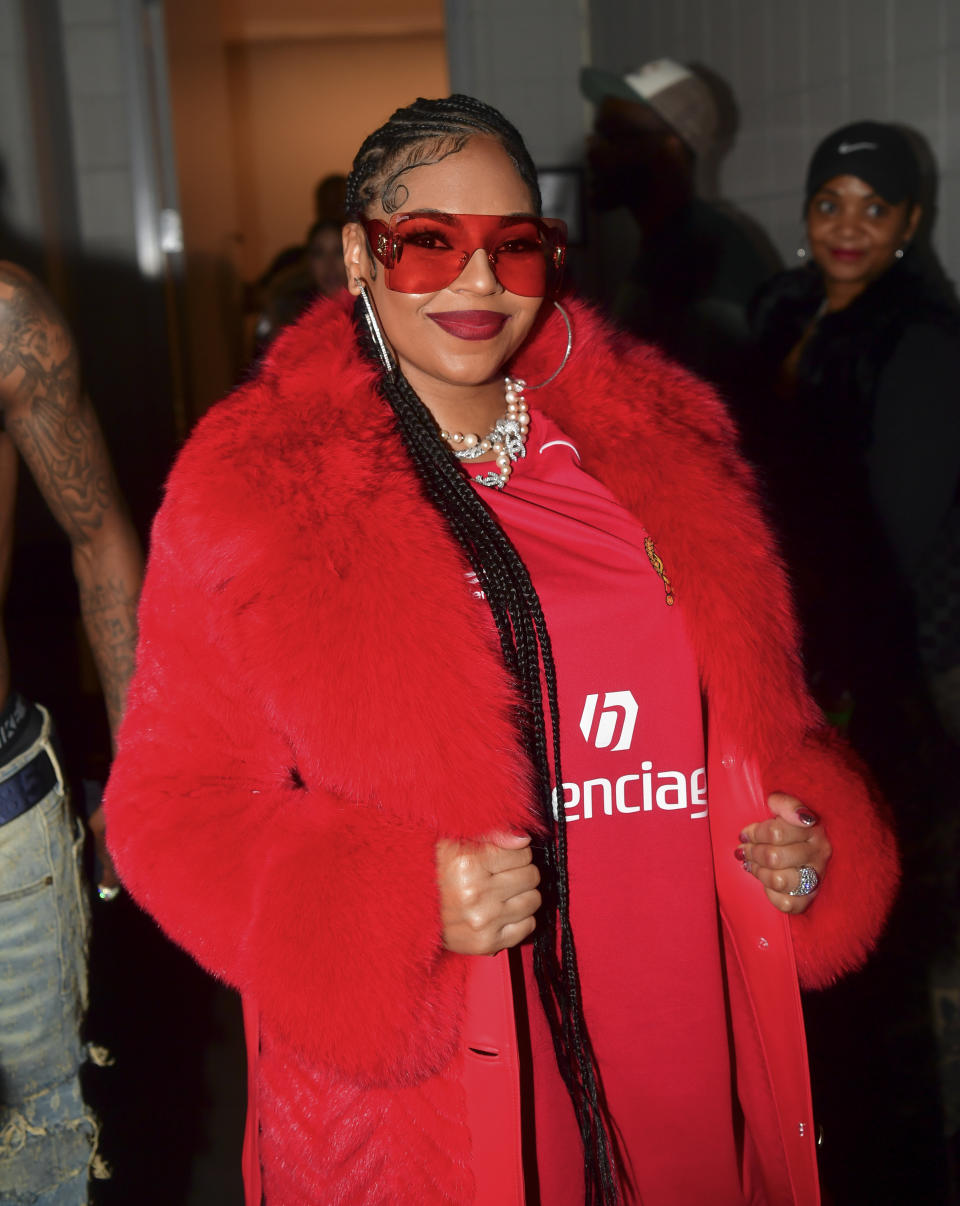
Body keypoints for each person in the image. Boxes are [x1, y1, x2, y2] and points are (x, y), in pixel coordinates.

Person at [104, 96, 897, 1206]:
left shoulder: (667, 447)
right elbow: (169, 807)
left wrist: (806, 835)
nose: (478, 283)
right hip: (434, 1100)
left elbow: (778, 723)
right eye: (428, 241)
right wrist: (396, 905)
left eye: (513, 245)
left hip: (680, 1024)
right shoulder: (256, 489)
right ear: (356, 255)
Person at [749, 120, 960, 1205]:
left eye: (873, 208)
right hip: (806, 653)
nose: (847, 226)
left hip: (893, 676)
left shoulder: (922, 345)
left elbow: (889, 536)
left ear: (911, 224)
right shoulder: (787, 316)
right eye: (830, 201)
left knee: (881, 923)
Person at [0, 263, 142, 1201]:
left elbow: (98, 536)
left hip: (3, 826)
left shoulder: (5, 314)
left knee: (40, 1150)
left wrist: (140, 777)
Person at [579, 59, 777, 393]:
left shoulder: (705, 258)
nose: (592, 151)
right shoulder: (666, 245)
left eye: (612, 136)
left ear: (670, 149)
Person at [252, 217, 349, 354]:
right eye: (319, 253)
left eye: (339, 251)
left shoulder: (373, 317)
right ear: (309, 262)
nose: (330, 265)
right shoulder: (288, 319)